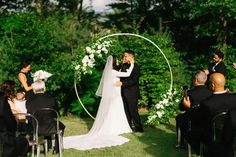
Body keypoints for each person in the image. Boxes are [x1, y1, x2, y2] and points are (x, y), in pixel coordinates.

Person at [63, 55, 134, 150]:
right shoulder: (112, 71)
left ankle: (119, 126)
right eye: (116, 60)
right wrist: (132, 64)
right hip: (115, 96)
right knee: (114, 111)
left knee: (116, 111)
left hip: (116, 95)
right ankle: (115, 127)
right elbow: (127, 74)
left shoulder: (112, 71)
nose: (118, 61)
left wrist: (125, 63)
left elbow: (120, 72)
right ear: (113, 61)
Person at [193, 73, 236, 157]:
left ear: (212, 85)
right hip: (233, 136)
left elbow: (197, 121)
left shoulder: (206, 103)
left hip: (213, 138)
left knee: (193, 132)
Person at [175, 71, 212, 152]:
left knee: (179, 117)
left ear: (195, 80)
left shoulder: (189, 93)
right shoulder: (211, 93)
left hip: (192, 121)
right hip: (207, 122)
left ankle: (180, 142)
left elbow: (181, 107)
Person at [26, 80, 65, 154]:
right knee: (60, 126)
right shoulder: (51, 100)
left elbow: (29, 116)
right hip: (50, 127)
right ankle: (57, 149)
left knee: (41, 122)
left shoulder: (28, 101)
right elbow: (56, 114)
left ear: (34, 90)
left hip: (35, 128)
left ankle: (47, 146)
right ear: (44, 89)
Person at [117, 50, 143, 132]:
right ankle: (128, 127)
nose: (124, 57)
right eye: (124, 56)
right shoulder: (123, 66)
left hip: (132, 93)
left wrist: (122, 83)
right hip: (123, 92)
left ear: (131, 57)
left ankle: (139, 128)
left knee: (133, 111)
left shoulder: (136, 67)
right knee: (126, 111)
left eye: (126, 56)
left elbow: (134, 81)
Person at [0, 80, 29, 157]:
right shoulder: (4, 101)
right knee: (24, 142)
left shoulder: (7, 99)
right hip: (5, 139)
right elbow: (10, 121)